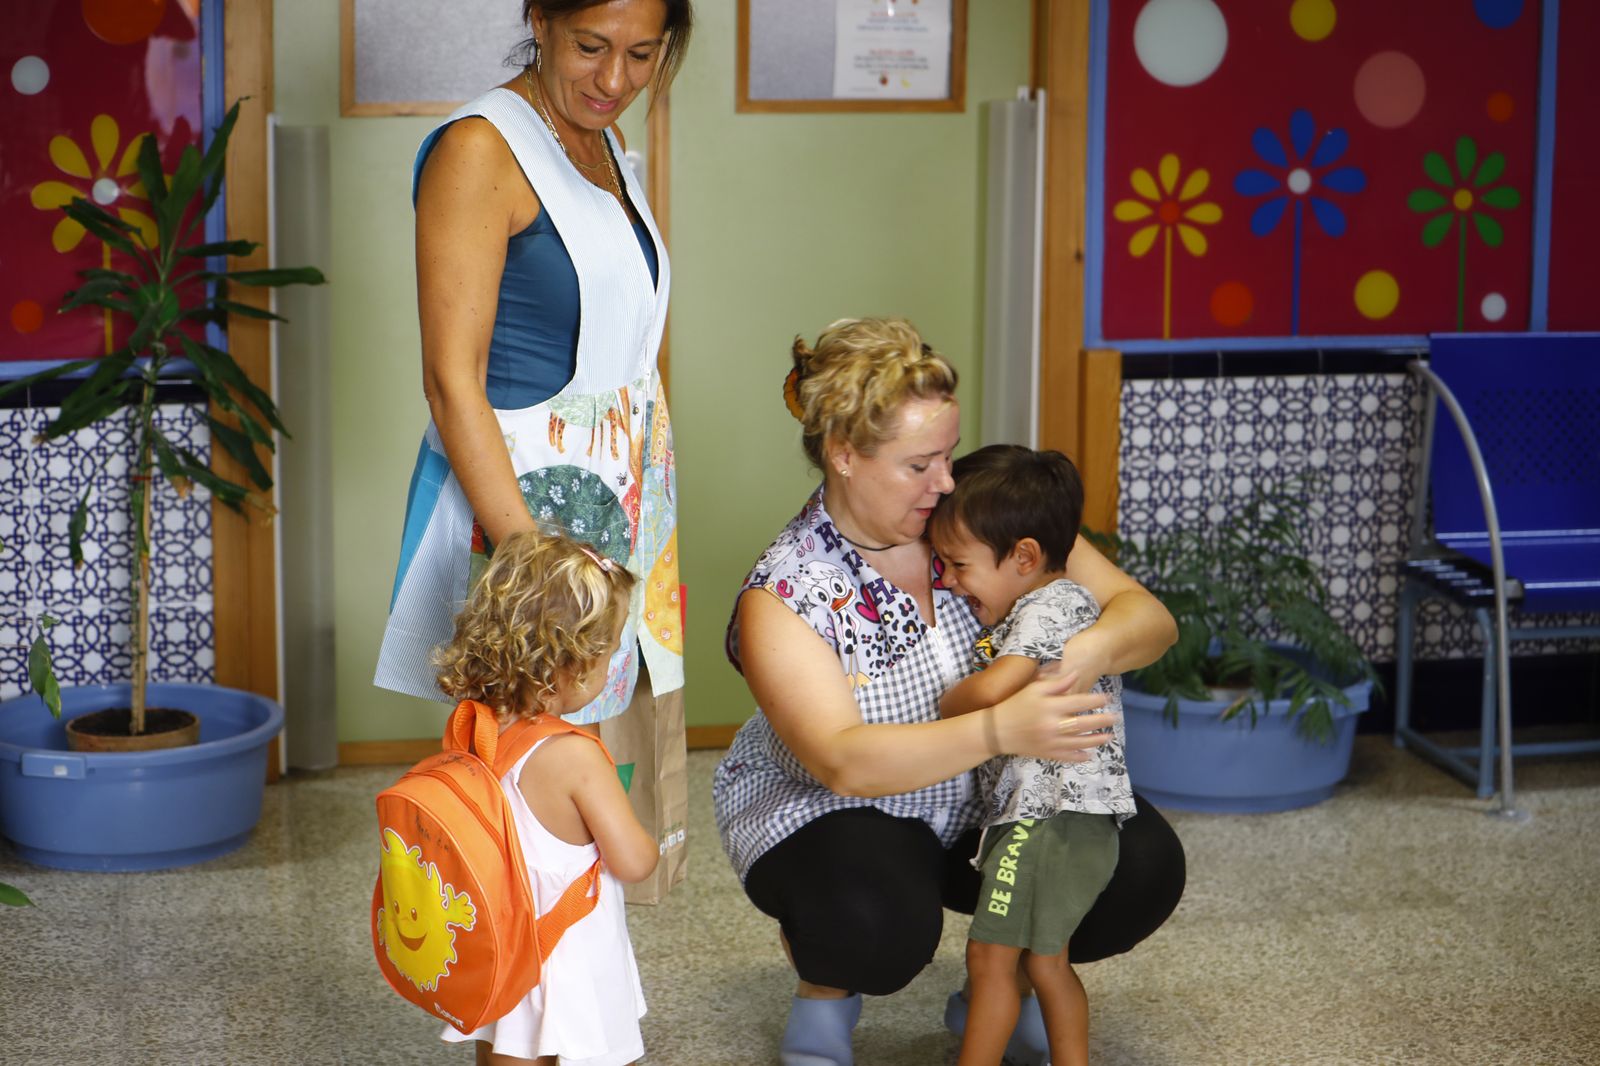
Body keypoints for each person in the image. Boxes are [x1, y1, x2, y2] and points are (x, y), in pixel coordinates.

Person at [712, 318, 1186, 1066]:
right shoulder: (785, 592)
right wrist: (1002, 728)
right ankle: (825, 994)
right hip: (843, 810)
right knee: (873, 921)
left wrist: (1081, 649)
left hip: (988, 799)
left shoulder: (981, 519)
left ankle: (1005, 983)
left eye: (949, 454)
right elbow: (843, 762)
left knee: (1140, 866)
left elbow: (1149, 620)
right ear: (843, 454)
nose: (944, 481)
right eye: (919, 464)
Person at [376, 0, 694, 734]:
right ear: (541, 19)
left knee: (617, 764)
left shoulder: (602, 138)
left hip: (620, 503)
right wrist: (534, 567)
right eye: (591, 46)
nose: (613, 80)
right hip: (527, 512)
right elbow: (451, 381)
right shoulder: (480, 148)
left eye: (641, 55)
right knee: (533, 768)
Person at [927, 444, 1135, 1066]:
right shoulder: (1051, 603)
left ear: (1023, 556)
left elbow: (997, 687)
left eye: (959, 564)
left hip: (1044, 816)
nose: (950, 580)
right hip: (1060, 819)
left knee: (991, 958)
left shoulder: (1051, 604)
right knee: (1045, 963)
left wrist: (946, 703)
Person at [434, 531, 658, 1066]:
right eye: (610, 650)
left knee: (506, 1046)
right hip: (571, 954)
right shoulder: (576, 756)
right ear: (574, 663)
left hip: (502, 948)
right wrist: (651, 845)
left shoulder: (472, 728)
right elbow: (632, 861)